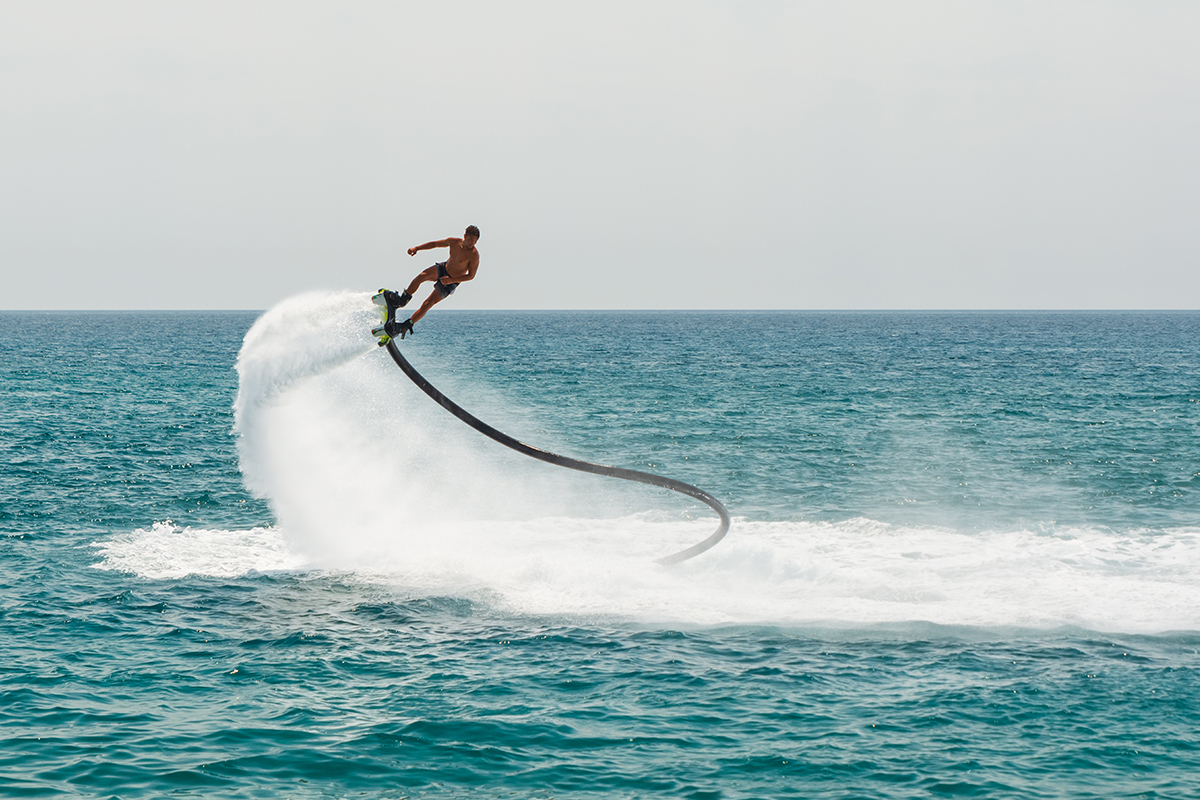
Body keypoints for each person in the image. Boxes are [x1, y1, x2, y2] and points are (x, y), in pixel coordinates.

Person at [377, 225, 480, 340]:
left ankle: (406, 326)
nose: (472, 243)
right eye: (471, 239)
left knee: (428, 303)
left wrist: (451, 280)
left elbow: (471, 276)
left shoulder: (474, 255)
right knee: (421, 277)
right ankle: (402, 300)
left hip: (451, 282)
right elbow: (435, 244)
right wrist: (416, 248)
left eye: (475, 241)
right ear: (465, 236)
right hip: (443, 268)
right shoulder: (453, 242)